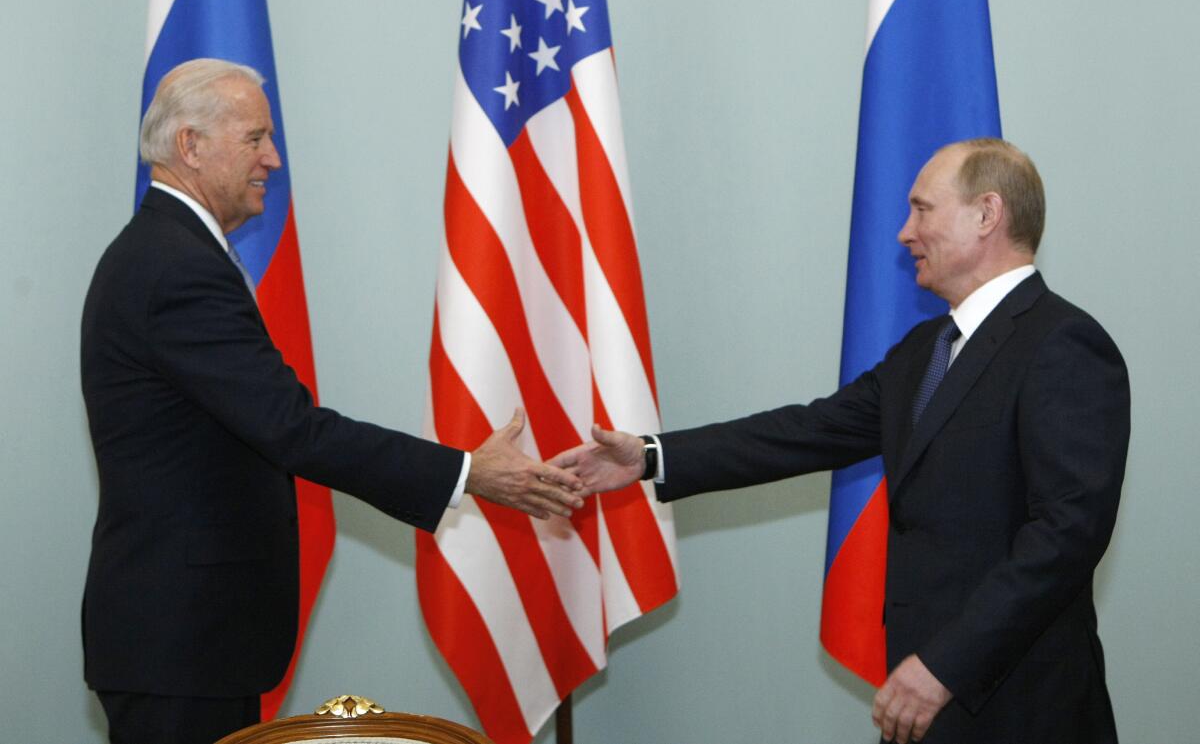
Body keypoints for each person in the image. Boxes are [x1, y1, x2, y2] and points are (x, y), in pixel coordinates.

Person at [552, 139, 1129, 744]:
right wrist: (650, 457)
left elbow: (1066, 535)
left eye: (922, 210)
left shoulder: (1063, 345)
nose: (905, 233)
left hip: (1021, 707)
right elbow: (807, 431)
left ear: (987, 214)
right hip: (926, 701)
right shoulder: (925, 350)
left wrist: (946, 665)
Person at [80, 58, 584, 744]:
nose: (274, 158)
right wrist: (467, 471)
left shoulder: (170, 253)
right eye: (256, 137)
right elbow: (293, 428)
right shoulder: (175, 268)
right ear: (191, 146)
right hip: (179, 641)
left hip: (189, 638)